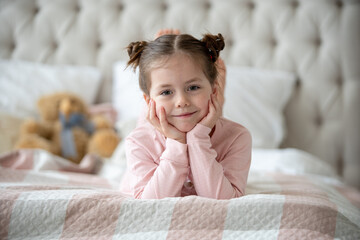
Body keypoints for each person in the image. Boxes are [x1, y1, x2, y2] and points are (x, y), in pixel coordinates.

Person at [119, 30, 252, 199]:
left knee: (172, 110)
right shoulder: (138, 142)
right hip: (146, 145)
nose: (182, 101)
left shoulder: (237, 137)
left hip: (186, 115)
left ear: (214, 90)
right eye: (167, 91)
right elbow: (150, 205)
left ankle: (197, 97)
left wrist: (198, 138)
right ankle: (155, 104)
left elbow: (223, 202)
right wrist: (176, 142)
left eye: (193, 87)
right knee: (145, 128)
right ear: (148, 100)